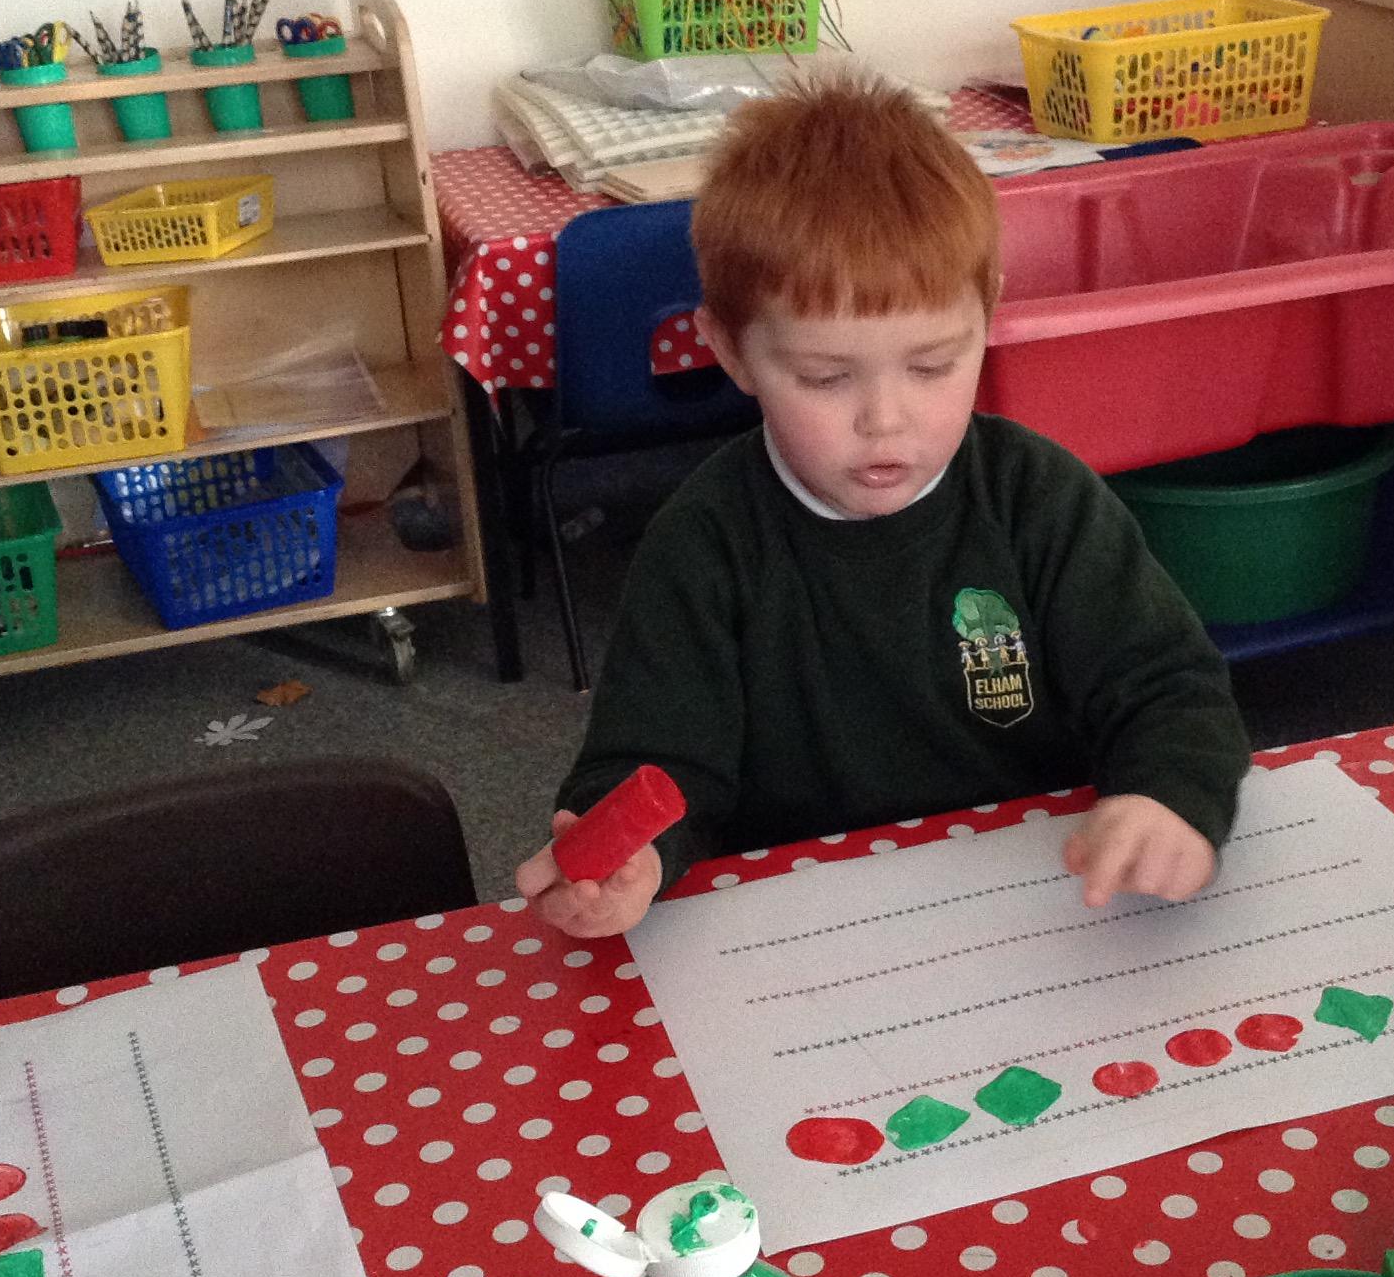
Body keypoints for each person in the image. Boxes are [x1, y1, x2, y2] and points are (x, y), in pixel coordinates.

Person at [515, 74, 1250, 939]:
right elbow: (654, 765)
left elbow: (1167, 687)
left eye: (932, 366)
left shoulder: (1038, 498)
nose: (886, 420)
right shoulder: (704, 543)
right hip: (803, 927)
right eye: (826, 377)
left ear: (988, 314)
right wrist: (628, 857)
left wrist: (1168, 797)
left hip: (1041, 903)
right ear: (732, 353)